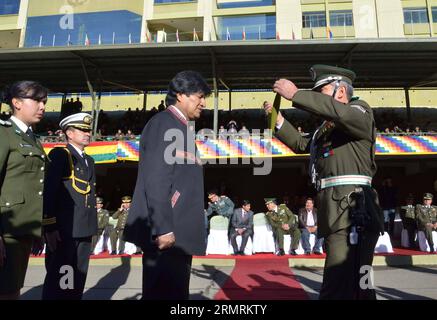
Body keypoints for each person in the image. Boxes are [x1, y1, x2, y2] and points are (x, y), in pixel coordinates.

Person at [264, 64, 384, 299]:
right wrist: (278, 121)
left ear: (341, 92)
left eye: (323, 91)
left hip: (352, 211)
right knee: (359, 285)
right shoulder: (327, 129)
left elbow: (340, 113)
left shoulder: (359, 110)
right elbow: (302, 144)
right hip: (337, 211)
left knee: (340, 284)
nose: (318, 97)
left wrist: (296, 95)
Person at [123, 70, 211, 300]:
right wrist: (162, 227)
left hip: (177, 234)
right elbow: (157, 179)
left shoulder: (182, 128)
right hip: (167, 234)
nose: (203, 103)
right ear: (181, 95)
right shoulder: (164, 124)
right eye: (199, 96)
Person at [0, 81, 48, 300]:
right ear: (16, 103)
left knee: (12, 289)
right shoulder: (4, 133)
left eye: (44, 102)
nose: (42, 106)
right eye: (36, 100)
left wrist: (36, 230)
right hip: (6, 230)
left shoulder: (33, 139)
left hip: (23, 229)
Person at [42, 112, 97, 300]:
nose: (87, 133)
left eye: (88, 130)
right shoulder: (61, 155)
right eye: (82, 130)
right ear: (69, 133)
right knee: (60, 282)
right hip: (65, 231)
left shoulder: (89, 160)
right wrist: (50, 225)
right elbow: (49, 191)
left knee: (77, 281)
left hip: (84, 228)